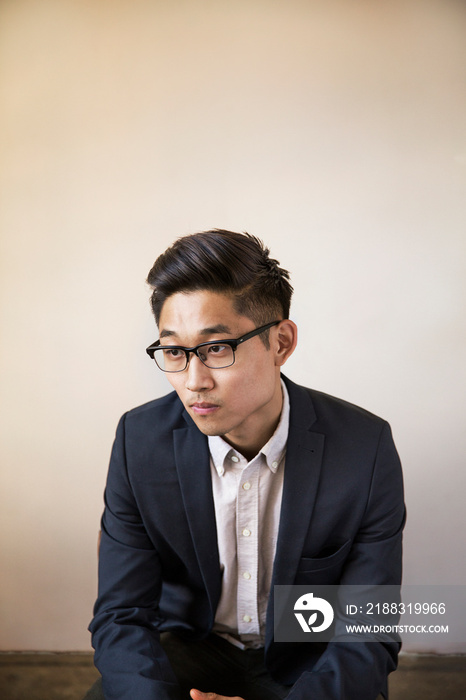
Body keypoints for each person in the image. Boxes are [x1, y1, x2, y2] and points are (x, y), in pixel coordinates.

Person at [87, 229, 405, 700]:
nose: (194, 382)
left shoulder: (364, 446)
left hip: (309, 661)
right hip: (194, 647)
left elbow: (370, 626)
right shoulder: (140, 441)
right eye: (174, 351)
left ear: (280, 342)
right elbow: (121, 614)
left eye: (217, 348)